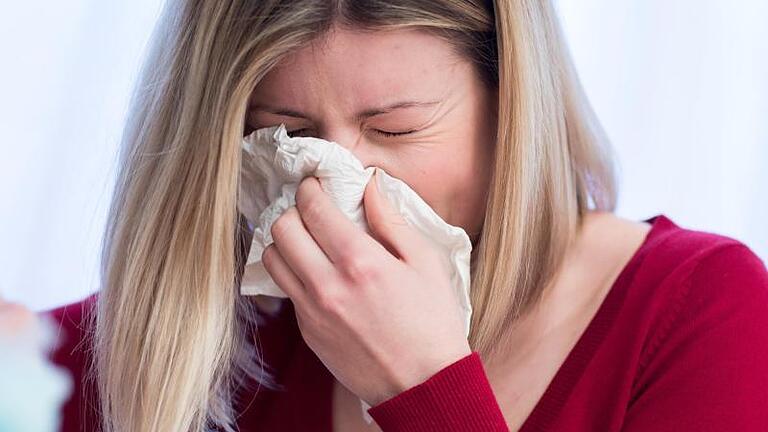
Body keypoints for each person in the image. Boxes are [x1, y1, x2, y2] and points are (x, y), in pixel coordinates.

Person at [2, 0, 766, 431]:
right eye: (290, 135)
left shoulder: (699, 311)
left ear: (512, 107)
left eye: (396, 128)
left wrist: (423, 385)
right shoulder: (234, 322)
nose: (342, 182)